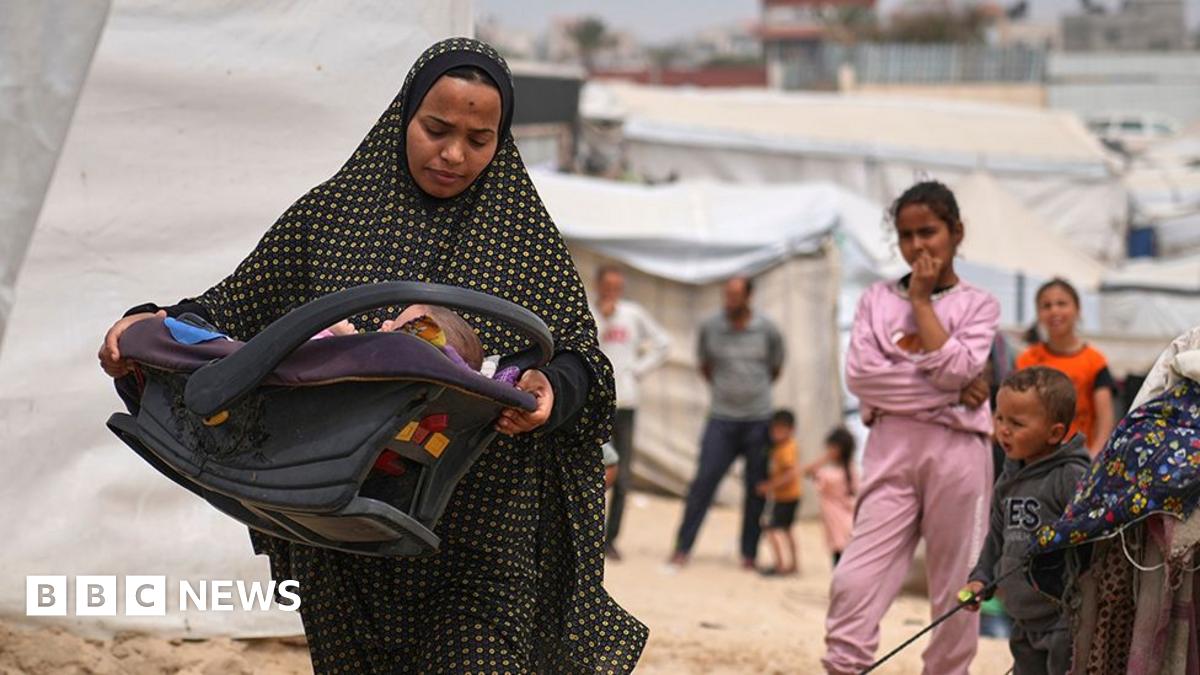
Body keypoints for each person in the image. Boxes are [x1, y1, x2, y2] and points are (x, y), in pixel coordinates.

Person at [97, 38, 646, 673]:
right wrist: (147, 323)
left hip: (481, 536)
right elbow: (223, 313)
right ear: (402, 117)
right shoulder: (327, 221)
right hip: (343, 530)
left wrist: (554, 389)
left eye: (479, 138)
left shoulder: (526, 241)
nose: (453, 154)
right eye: (437, 129)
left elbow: (582, 361)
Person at [822, 181, 999, 675]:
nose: (918, 245)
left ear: (955, 233)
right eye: (906, 235)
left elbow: (964, 370)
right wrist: (948, 392)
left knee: (958, 588)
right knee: (855, 578)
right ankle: (844, 666)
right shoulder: (875, 300)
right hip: (891, 452)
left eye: (929, 232)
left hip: (960, 456)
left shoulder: (978, 305)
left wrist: (922, 303)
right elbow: (861, 377)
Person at [961, 367, 1090, 675]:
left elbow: (1091, 541)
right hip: (1021, 617)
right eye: (1000, 417)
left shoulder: (1070, 476)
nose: (1003, 429)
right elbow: (996, 536)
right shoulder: (1009, 475)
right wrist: (981, 577)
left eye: (1016, 423)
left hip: (1063, 620)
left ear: (1055, 433)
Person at [669, 275, 785, 570]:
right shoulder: (711, 327)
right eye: (726, 295)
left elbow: (775, 367)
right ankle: (682, 547)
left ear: (749, 297)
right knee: (704, 482)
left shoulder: (767, 329)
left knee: (756, 488)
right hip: (721, 419)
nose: (729, 301)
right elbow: (705, 365)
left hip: (758, 420)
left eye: (735, 296)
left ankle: (749, 554)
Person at [590, 264, 670, 561]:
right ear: (598, 286)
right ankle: (589, 535)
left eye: (617, 288)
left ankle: (611, 539)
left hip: (625, 404)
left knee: (621, 475)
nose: (612, 293)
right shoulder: (588, 314)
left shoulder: (633, 315)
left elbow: (663, 344)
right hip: (596, 404)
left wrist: (637, 370)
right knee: (595, 471)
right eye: (607, 287)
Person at [1017, 278, 1116, 456]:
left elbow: (1105, 418)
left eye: (1062, 303)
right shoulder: (1027, 360)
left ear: (1077, 310)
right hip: (1037, 459)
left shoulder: (1095, 361)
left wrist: (1093, 458)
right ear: (1038, 314)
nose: (1054, 310)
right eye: (1046, 306)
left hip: (1081, 458)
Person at [755, 409, 802, 576]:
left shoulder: (787, 448)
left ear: (790, 430)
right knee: (787, 530)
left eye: (781, 430)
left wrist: (770, 486)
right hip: (787, 496)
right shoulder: (781, 446)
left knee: (770, 528)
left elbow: (790, 474)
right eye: (774, 430)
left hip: (786, 496)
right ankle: (793, 565)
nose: (777, 434)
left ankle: (780, 565)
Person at [807, 427, 858, 568]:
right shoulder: (842, 469)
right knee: (839, 549)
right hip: (837, 515)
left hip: (840, 515)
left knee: (840, 549)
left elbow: (811, 472)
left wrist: (824, 459)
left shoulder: (835, 472)